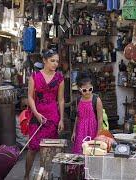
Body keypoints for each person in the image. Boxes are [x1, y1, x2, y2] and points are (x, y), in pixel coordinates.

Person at [25, 48, 65, 180]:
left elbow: (61, 99)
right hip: (37, 115)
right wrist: (36, 113)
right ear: (44, 61)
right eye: (52, 61)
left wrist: (61, 120)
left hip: (52, 116)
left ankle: (44, 176)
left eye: (57, 61)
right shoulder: (35, 77)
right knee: (32, 148)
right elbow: (30, 97)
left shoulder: (59, 78)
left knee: (48, 149)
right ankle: (26, 175)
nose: (55, 64)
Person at [71, 72, 103, 154]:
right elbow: (77, 117)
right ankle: (80, 167)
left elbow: (100, 119)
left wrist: (99, 134)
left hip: (93, 130)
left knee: (91, 152)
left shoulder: (96, 100)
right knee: (79, 151)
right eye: (84, 90)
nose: (88, 92)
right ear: (79, 89)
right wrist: (74, 132)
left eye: (90, 89)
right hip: (80, 130)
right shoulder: (78, 100)